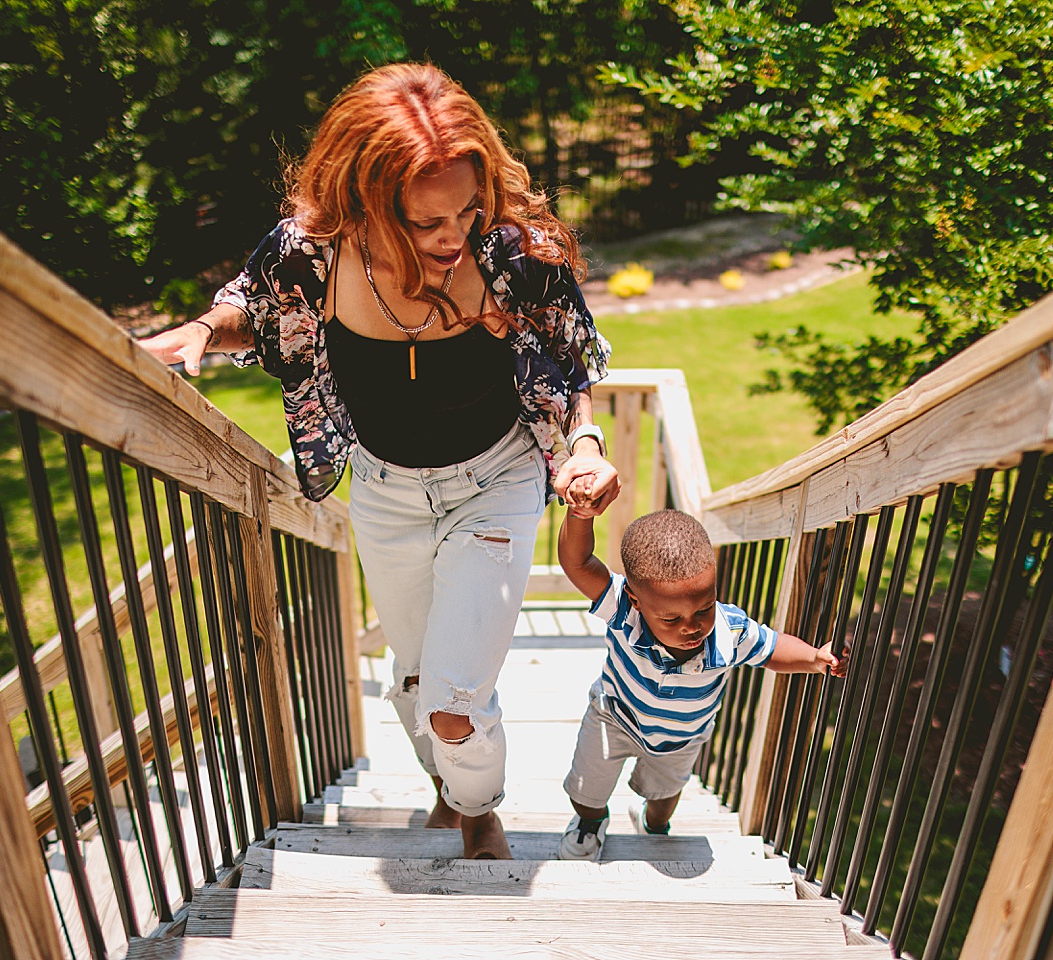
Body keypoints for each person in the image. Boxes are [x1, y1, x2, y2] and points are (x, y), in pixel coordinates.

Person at [140, 63, 620, 860]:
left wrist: (586, 448)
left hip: (495, 484)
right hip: (385, 491)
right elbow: (259, 315)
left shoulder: (513, 253)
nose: (454, 235)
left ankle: (478, 812)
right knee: (412, 673)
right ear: (364, 198)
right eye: (428, 219)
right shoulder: (313, 255)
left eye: (468, 208)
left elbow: (574, 366)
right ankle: (446, 789)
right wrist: (202, 332)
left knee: (455, 700)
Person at [554, 506, 847, 861]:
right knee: (585, 792)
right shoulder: (622, 609)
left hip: (681, 736)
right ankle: (590, 823)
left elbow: (772, 648)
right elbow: (579, 563)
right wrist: (580, 513)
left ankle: (650, 823)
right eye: (671, 618)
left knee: (663, 802)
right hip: (614, 717)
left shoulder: (730, 631)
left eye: (703, 609)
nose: (690, 627)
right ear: (636, 600)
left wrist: (814, 658)